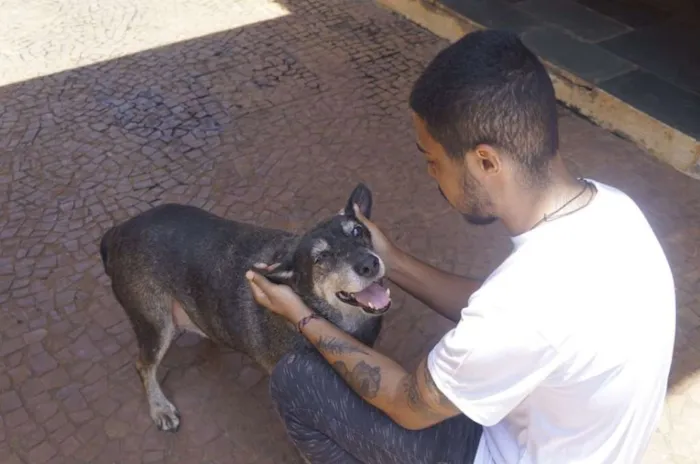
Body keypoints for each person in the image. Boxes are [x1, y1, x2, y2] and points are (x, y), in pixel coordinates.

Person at [245, 29, 676, 464]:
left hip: (505, 452)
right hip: (576, 441)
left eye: (433, 161)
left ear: (485, 161)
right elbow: (499, 309)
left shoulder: (524, 304)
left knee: (295, 379)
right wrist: (391, 261)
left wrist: (301, 317)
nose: (432, 175)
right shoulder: (612, 209)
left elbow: (407, 403)